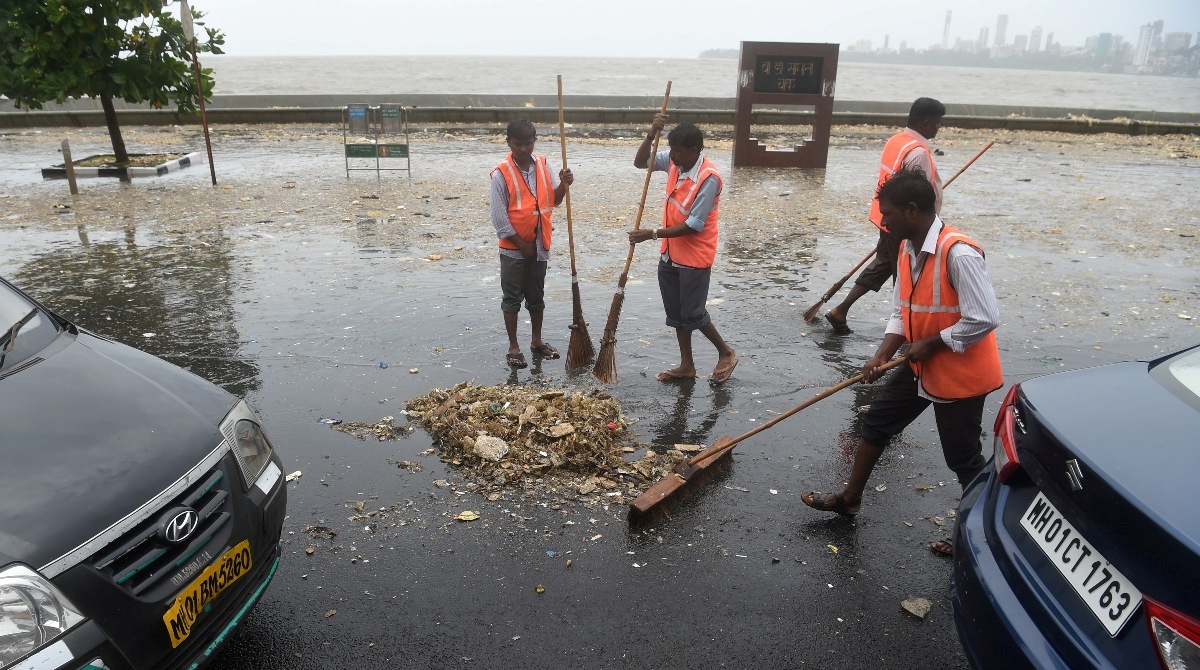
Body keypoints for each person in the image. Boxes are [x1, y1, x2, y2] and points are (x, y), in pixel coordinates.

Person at [802, 168, 1002, 557]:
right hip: (917, 363)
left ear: (912, 210)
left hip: (959, 372)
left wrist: (934, 342)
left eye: (888, 214)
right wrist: (881, 354)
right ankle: (850, 498)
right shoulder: (906, 249)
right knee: (876, 422)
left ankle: (979, 535)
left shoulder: (958, 252)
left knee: (963, 458)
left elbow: (984, 317)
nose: (884, 222)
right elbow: (902, 311)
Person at [628, 114, 737, 384]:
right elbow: (641, 161)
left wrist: (651, 234)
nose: (671, 155)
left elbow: (694, 225)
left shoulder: (709, 178)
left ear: (694, 151)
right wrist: (651, 132)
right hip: (670, 252)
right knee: (676, 314)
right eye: (671, 149)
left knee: (693, 313)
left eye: (677, 150)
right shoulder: (675, 162)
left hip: (694, 255)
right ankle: (687, 365)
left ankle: (726, 352)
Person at [825, 97, 946, 334]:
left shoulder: (897, 140)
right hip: (905, 223)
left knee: (884, 265)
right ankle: (906, 328)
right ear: (926, 123)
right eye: (937, 123)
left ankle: (841, 310)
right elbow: (913, 193)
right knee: (906, 276)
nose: (938, 128)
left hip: (887, 217)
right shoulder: (917, 152)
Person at [490, 119, 573, 369]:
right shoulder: (501, 173)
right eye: (518, 144)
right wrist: (520, 243)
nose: (524, 149)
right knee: (512, 298)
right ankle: (514, 346)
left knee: (537, 297)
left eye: (528, 143)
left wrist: (565, 185)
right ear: (508, 143)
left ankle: (536, 341)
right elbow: (498, 217)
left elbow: (554, 201)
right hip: (513, 248)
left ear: (534, 141)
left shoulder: (544, 165)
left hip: (540, 244)